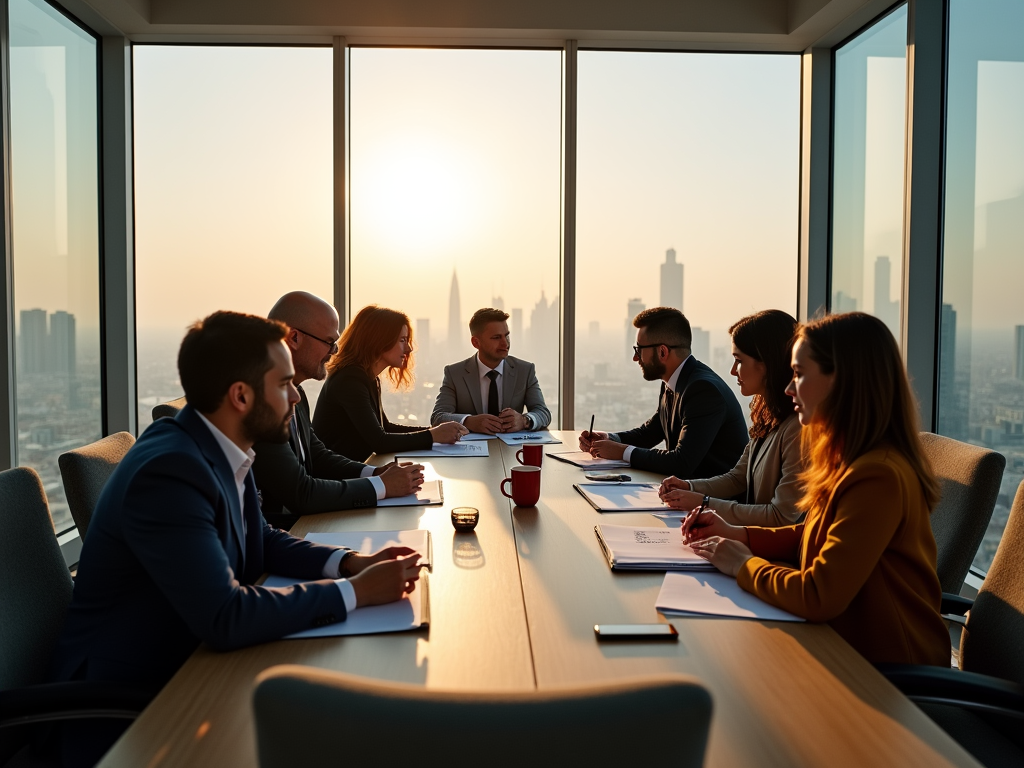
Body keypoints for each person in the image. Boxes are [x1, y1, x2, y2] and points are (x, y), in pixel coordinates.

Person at [50, 312, 423, 765]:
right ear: (241, 395)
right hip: (134, 705)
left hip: (194, 663)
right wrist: (355, 593)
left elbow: (260, 537)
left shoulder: (223, 442)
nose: (294, 397)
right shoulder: (170, 470)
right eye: (284, 384)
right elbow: (225, 616)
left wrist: (346, 564)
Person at [680, 312, 950, 667]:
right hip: (846, 644)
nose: (789, 388)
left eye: (800, 374)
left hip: (888, 672)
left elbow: (819, 595)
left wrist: (744, 565)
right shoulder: (850, 459)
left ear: (843, 382)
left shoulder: (878, 475)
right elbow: (813, 535)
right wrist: (740, 534)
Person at [252, 292, 424, 529]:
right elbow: (301, 493)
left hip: (307, 522)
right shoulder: (261, 402)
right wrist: (382, 486)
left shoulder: (297, 394)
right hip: (284, 531)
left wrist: (376, 474)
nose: (334, 351)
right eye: (329, 341)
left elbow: (318, 455)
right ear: (294, 337)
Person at [659, 309, 803, 526]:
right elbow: (738, 478)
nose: (733, 371)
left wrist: (703, 503)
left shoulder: (797, 429)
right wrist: (688, 487)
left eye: (739, 360)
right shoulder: (768, 415)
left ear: (766, 363)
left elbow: (780, 516)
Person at [580, 306, 747, 478]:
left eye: (639, 350)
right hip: (691, 494)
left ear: (662, 352)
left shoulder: (703, 390)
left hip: (717, 501)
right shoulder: (675, 380)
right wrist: (610, 439)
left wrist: (622, 452)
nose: (635, 358)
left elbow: (681, 462)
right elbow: (651, 432)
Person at [313, 305, 467, 462]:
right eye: (402, 340)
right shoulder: (350, 380)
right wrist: (433, 435)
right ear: (379, 341)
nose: (408, 348)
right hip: (338, 479)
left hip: (357, 471)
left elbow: (385, 428)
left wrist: (435, 432)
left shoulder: (367, 377)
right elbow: (379, 442)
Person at [430, 307, 551, 434]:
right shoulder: (455, 374)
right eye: (496, 337)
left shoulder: (525, 371)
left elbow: (543, 413)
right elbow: (438, 417)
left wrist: (524, 420)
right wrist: (469, 421)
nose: (505, 344)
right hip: (471, 451)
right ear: (476, 342)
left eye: (507, 336)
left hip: (512, 451)